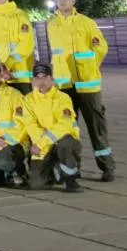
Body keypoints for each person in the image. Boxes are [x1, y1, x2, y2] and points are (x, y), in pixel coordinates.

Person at [47, 0, 115, 181]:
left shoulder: (86, 22)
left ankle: (107, 167)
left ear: (74, 0)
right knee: (67, 127)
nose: (61, 1)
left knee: (96, 127)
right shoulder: (52, 24)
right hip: (64, 85)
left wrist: (90, 65)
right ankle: (71, 168)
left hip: (87, 84)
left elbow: (100, 47)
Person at [24, 63, 81, 192]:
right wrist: (41, 144)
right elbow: (30, 124)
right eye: (37, 78)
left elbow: (64, 125)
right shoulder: (28, 99)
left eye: (44, 77)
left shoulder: (63, 98)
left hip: (62, 140)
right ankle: (54, 170)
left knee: (66, 144)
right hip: (42, 144)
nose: (41, 81)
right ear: (33, 80)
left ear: (51, 78)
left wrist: (42, 142)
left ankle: (71, 179)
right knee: (36, 185)